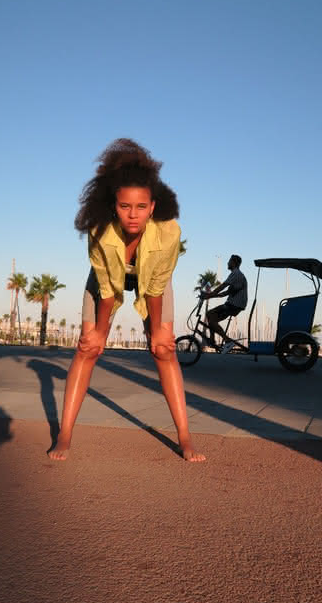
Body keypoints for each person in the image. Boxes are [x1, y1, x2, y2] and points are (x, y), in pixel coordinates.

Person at [49, 138, 205, 463]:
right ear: (113, 206)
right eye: (124, 207)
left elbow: (157, 284)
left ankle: (186, 437)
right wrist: (100, 332)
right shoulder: (99, 232)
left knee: (164, 349)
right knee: (88, 348)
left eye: (140, 207)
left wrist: (159, 331)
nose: (133, 216)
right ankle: (64, 434)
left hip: (153, 283)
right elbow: (107, 287)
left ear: (153, 207)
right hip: (107, 281)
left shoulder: (169, 233)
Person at [202, 255, 248, 354]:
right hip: (235, 304)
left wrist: (209, 294)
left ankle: (227, 341)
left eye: (229, 261)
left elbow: (223, 286)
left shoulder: (235, 273)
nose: (227, 263)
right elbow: (224, 293)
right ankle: (213, 340)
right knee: (211, 318)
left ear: (234, 263)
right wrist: (210, 296)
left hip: (233, 305)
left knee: (210, 314)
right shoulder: (238, 276)